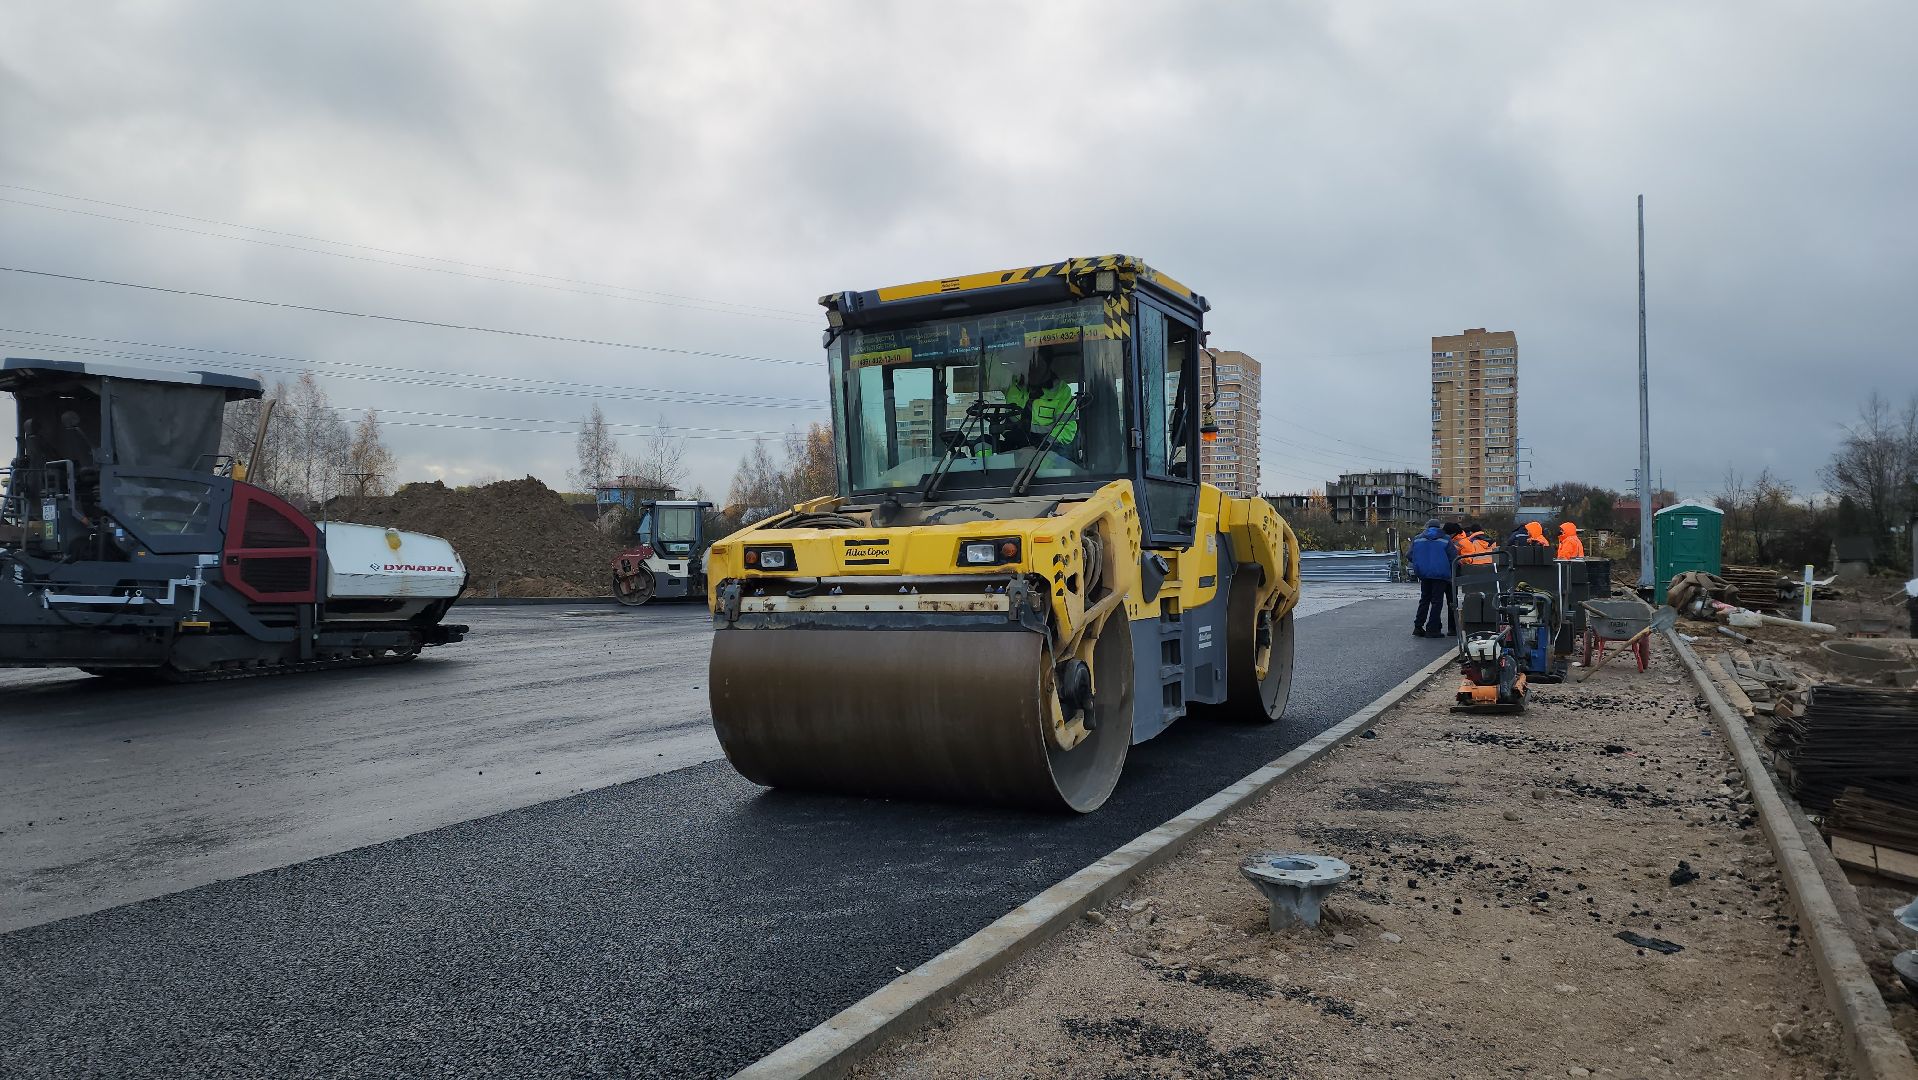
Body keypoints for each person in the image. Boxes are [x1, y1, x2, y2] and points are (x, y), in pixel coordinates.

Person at [1002, 347, 1078, 449]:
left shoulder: (1062, 391)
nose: (1031, 369)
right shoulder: (1012, 384)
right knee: (984, 443)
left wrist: (1047, 442)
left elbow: (1067, 429)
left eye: (1037, 364)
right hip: (1016, 445)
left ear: (1048, 366)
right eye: (1028, 364)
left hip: (1047, 450)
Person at [1409, 518, 1457, 637]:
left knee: (1424, 600)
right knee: (1437, 601)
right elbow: (1453, 557)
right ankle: (1432, 629)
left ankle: (1418, 627)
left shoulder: (1418, 538)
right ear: (1438, 527)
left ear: (1427, 527)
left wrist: (1420, 563)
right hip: (1440, 574)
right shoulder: (1446, 539)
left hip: (1424, 574)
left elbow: (1409, 555)